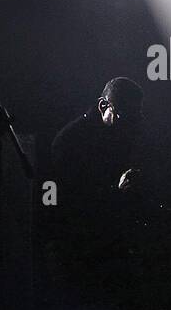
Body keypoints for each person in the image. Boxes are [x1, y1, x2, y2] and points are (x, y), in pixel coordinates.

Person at [50, 76, 146, 257]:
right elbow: (70, 200)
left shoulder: (118, 134)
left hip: (109, 240)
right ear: (104, 107)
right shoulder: (69, 142)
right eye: (126, 116)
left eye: (135, 116)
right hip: (81, 246)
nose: (132, 123)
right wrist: (118, 191)